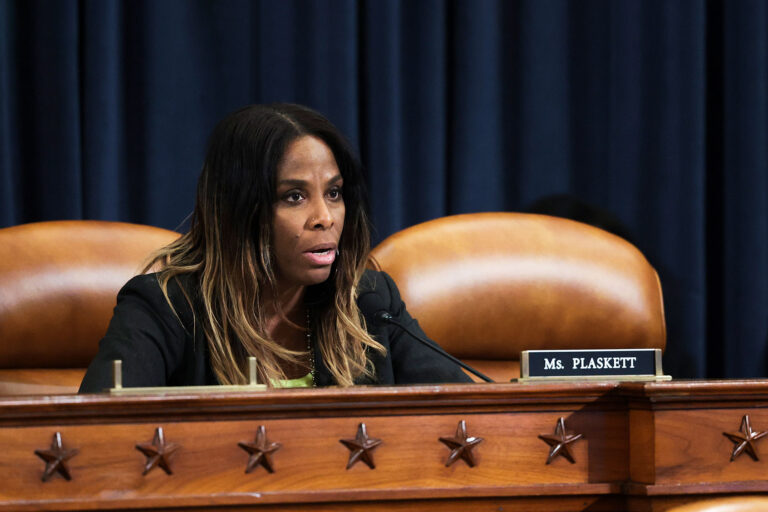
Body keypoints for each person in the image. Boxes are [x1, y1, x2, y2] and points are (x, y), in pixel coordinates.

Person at [79, 103, 471, 392]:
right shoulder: (166, 308)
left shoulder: (368, 301)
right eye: (294, 197)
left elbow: (469, 411)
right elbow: (96, 435)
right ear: (238, 210)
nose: (325, 217)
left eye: (333, 193)